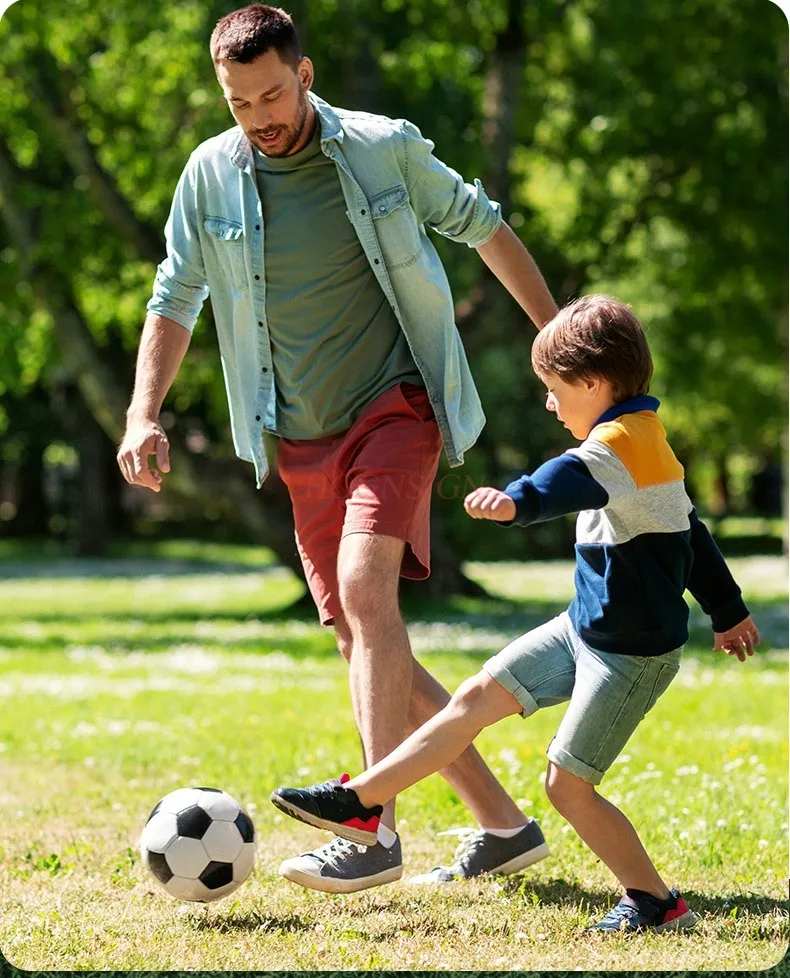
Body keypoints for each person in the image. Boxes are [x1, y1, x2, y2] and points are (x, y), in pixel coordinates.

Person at [116, 3, 559, 892]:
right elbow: (174, 295)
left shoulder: (379, 146)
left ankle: (370, 827)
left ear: (306, 74)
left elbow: (483, 224)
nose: (260, 117)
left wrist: (558, 352)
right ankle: (504, 828)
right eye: (240, 103)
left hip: (394, 405)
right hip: (296, 431)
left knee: (367, 593)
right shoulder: (208, 175)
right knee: (362, 637)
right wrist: (142, 412)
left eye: (273, 94)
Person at [270, 294, 761, 931]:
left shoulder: (620, 444)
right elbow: (692, 534)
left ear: (594, 382)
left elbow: (568, 480)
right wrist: (729, 612)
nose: (550, 404)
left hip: (630, 656)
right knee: (471, 698)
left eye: (555, 390)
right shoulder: (645, 438)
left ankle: (654, 902)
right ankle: (362, 803)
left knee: (567, 786)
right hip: (582, 629)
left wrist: (515, 502)